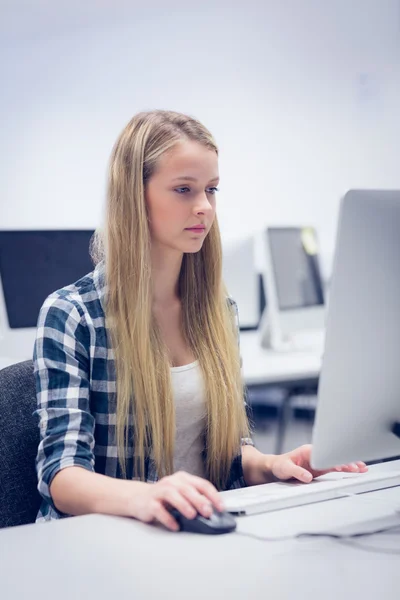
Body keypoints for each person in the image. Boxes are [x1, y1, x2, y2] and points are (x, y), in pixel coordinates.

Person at [33, 110, 367, 530]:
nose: (204, 207)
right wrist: (146, 496)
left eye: (211, 189)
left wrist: (272, 464)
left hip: (197, 533)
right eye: (183, 189)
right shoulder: (73, 314)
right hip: (107, 540)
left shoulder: (217, 312)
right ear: (134, 196)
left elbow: (227, 455)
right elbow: (62, 477)